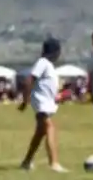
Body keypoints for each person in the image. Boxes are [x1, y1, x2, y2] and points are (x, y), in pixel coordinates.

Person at [18, 37, 66, 172]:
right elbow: (29, 80)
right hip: (40, 103)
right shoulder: (43, 62)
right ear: (53, 52)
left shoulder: (49, 66)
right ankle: (54, 163)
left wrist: (58, 96)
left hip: (47, 103)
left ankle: (26, 162)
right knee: (50, 127)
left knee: (40, 133)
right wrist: (25, 100)